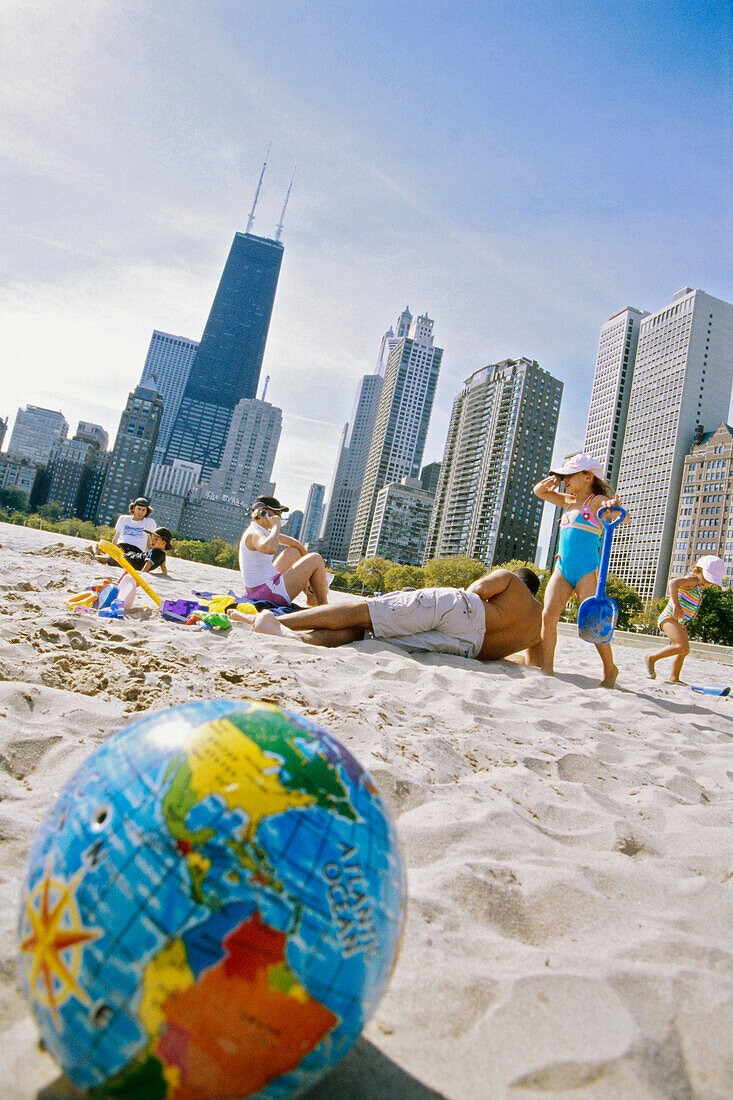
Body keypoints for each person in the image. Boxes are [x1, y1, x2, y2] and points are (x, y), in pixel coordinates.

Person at [247, 567, 545, 665]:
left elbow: (477, 590)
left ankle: (274, 621)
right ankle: (296, 638)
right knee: (367, 633)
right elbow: (535, 664)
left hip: (462, 610)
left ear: (522, 584)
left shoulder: (510, 579)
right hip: (467, 647)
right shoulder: (539, 625)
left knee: (365, 612)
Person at [533, 453, 628, 688]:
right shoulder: (568, 500)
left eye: (569, 475)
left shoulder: (595, 501)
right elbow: (540, 492)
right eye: (563, 476)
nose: (565, 480)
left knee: (593, 621)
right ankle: (547, 669)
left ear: (588, 476)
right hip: (562, 567)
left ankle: (610, 668)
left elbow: (621, 518)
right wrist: (550, 481)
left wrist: (612, 507)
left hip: (586, 569)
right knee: (548, 615)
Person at [237, 495, 329, 609]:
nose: (280, 517)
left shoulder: (262, 531)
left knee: (293, 552)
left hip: (261, 590)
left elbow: (294, 543)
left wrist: (309, 579)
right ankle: (324, 606)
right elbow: (269, 549)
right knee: (316, 558)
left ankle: (312, 597)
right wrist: (276, 526)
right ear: (263, 512)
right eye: (277, 513)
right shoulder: (254, 533)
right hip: (267, 594)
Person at [646, 555, 725, 684]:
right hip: (669, 618)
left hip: (679, 622)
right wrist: (676, 605)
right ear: (698, 570)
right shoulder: (692, 580)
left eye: (711, 582)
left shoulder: (698, 587)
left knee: (685, 650)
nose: (707, 583)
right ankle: (652, 658)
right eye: (706, 578)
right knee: (682, 646)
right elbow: (673, 583)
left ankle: (674, 677)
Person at [90, 497, 156, 565]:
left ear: (146, 511)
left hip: (136, 550)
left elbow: (149, 542)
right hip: (121, 546)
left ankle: (97, 556)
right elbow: (116, 537)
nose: (140, 512)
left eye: (143, 510)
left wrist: (149, 556)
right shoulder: (123, 518)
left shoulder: (149, 522)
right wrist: (111, 550)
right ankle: (101, 556)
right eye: (138, 509)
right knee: (117, 555)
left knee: (126, 559)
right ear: (133, 508)